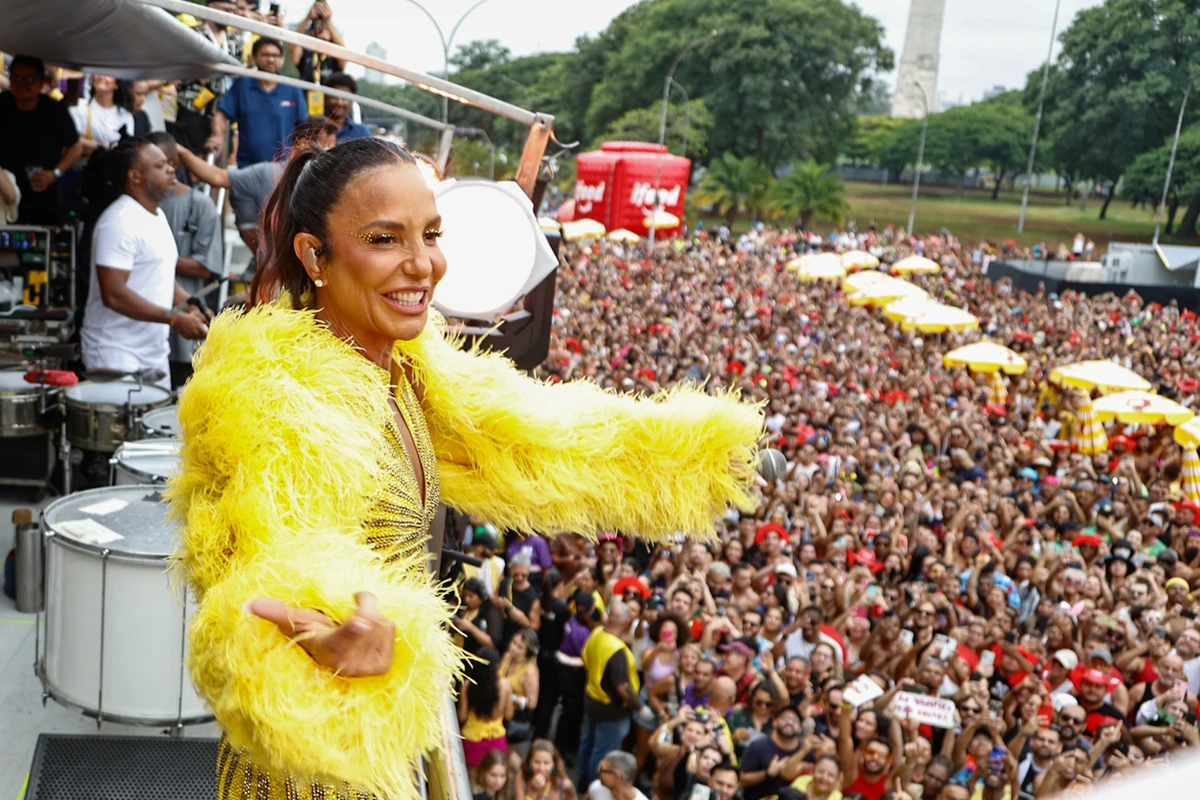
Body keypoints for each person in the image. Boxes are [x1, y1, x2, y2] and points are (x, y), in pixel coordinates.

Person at [167, 136, 762, 800]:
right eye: (386, 238)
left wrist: (694, 455)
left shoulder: (412, 369)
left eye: (432, 234)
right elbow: (261, 551)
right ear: (314, 254)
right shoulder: (268, 391)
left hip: (395, 741)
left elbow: (543, 440)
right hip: (312, 760)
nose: (423, 265)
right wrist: (332, 621)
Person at [80, 137, 209, 386]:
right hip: (115, 356)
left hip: (153, 356)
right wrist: (174, 318)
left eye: (169, 164)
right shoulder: (118, 221)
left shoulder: (156, 215)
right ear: (135, 177)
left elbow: (160, 277)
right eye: (160, 166)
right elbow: (114, 294)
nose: (171, 169)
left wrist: (190, 306)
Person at [177, 115, 334, 254]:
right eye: (325, 147)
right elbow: (217, 177)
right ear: (303, 143)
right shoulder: (267, 174)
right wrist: (181, 152)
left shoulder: (332, 184)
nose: (331, 154)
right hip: (276, 276)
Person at [146, 132, 222, 388]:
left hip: (184, 335)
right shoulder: (138, 208)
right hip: (145, 330)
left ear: (173, 165)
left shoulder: (200, 205)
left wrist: (155, 257)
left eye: (154, 165)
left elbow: (205, 266)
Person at [0, 55, 82, 224]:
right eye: (17, 77)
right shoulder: (1, 105)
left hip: (45, 197)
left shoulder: (55, 110)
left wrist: (55, 173)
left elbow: (76, 146)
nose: (22, 83)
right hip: (5, 196)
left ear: (41, 82)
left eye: (29, 79)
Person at [207, 37, 307, 165]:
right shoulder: (242, 86)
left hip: (283, 169)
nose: (271, 59)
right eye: (265, 54)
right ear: (254, 57)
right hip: (248, 169)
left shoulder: (293, 88)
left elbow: (304, 129)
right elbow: (221, 115)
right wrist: (217, 136)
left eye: (276, 55)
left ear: (282, 59)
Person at [579, 600, 642, 789]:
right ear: (627, 622)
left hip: (592, 699)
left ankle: (582, 782)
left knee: (588, 744)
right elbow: (622, 687)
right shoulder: (617, 651)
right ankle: (594, 789)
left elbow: (585, 655)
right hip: (611, 711)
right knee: (602, 753)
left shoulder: (598, 633)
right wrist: (639, 706)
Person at [174, 0, 244, 153]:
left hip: (223, 111)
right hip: (194, 108)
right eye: (226, 9)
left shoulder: (233, 42)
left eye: (233, 11)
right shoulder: (192, 34)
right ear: (211, 7)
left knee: (223, 159)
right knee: (192, 160)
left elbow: (238, 74)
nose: (230, 15)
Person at [460, 647, 514, 776]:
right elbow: (509, 715)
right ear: (496, 666)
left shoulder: (467, 685)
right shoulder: (505, 685)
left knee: (471, 783)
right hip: (496, 739)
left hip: (472, 740)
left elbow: (462, 716)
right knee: (495, 781)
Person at [739, 704, 805, 800]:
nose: (790, 722)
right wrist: (768, 774)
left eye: (795, 720)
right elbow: (743, 779)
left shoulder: (806, 751)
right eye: (785, 718)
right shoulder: (758, 746)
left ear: (800, 728)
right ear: (775, 722)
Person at [70, 75, 136, 157]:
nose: (101, 76)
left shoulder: (125, 115)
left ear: (116, 84)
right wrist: (106, 147)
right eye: (98, 72)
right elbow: (75, 141)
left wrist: (92, 145)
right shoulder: (79, 108)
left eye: (108, 74)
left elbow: (127, 147)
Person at [287, 1, 347, 84]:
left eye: (325, 27)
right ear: (311, 31)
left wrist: (328, 22)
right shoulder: (306, 52)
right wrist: (308, 18)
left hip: (329, 95)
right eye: (316, 27)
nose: (321, 30)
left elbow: (344, 54)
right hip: (306, 94)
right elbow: (292, 45)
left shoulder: (334, 55)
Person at [499, 628, 540, 743]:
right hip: (498, 710)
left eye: (519, 647)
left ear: (527, 652)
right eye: (513, 642)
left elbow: (532, 703)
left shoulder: (529, 671)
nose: (513, 647)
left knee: (508, 754)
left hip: (513, 716)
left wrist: (511, 697)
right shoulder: (507, 657)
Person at [513, 740, 577, 800]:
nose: (541, 768)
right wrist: (533, 792)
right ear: (530, 762)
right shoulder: (521, 779)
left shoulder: (565, 785)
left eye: (546, 763)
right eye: (537, 762)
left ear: (554, 765)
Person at [322, 73, 371, 143]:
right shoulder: (314, 129)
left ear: (351, 101)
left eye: (345, 98)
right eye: (334, 96)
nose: (339, 102)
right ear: (325, 98)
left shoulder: (361, 133)